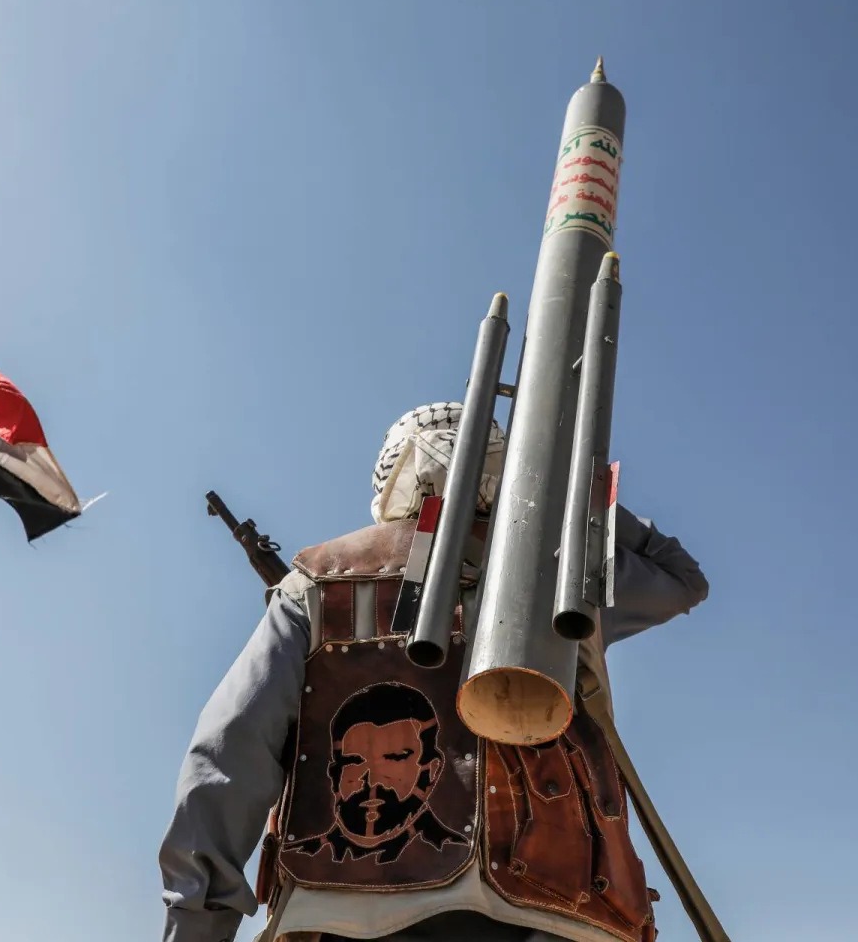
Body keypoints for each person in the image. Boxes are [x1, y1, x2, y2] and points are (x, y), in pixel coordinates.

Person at [159, 403, 711, 942]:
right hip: (564, 911)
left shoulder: (316, 582)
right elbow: (684, 579)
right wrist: (576, 499)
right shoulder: (566, 576)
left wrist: (198, 927)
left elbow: (230, 754)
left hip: (341, 914)